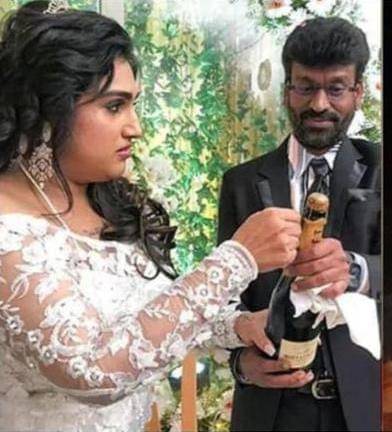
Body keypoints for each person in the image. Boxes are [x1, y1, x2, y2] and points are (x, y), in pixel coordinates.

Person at [0, 2, 301, 430]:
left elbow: (140, 316)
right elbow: (93, 372)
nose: (135, 127)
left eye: (133, 104)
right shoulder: (7, 230)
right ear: (50, 109)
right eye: (114, 106)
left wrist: (234, 325)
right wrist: (236, 261)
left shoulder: (106, 197)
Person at [217, 17, 381, 431]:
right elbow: (221, 298)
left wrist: (357, 270)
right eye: (306, 87)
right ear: (287, 90)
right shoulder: (240, 183)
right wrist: (241, 365)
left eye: (336, 88)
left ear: (358, 91)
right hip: (270, 413)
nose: (319, 104)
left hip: (365, 408)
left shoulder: (384, 169)